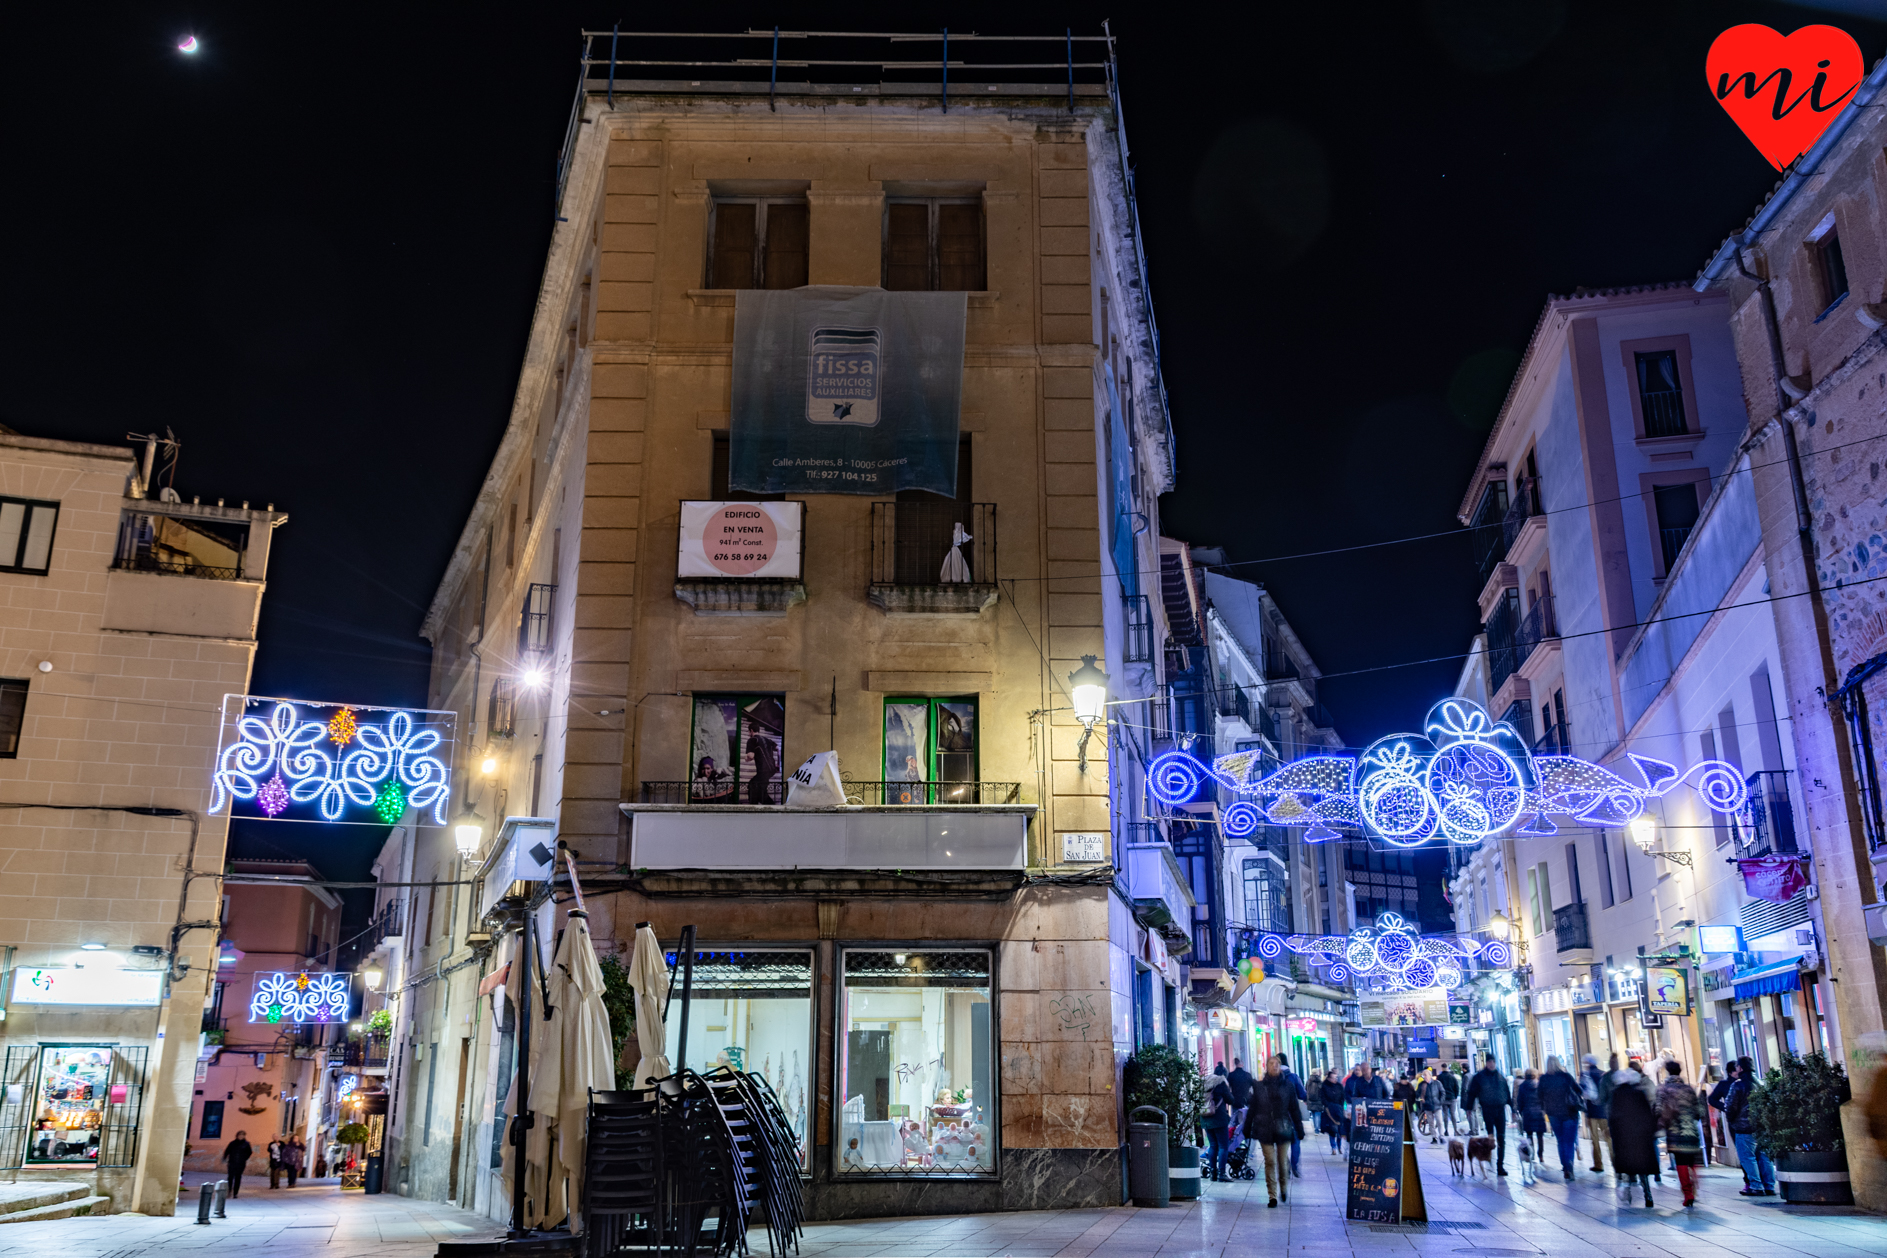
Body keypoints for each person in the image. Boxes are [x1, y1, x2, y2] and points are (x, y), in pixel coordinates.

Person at [1249, 1056, 1304, 1208]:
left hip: (1283, 1127)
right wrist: (1248, 1128)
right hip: (1264, 1128)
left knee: (1281, 1161)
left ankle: (1284, 1189)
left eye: (1277, 1064)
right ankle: (1272, 1195)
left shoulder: (1288, 1085)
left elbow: (1294, 1108)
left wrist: (1299, 1128)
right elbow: (1252, 1108)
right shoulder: (1259, 1086)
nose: (1274, 1066)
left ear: (1280, 1067)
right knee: (1270, 1161)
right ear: (1266, 1067)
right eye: (1271, 1064)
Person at [1608, 1057, 1660, 1207]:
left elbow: (1613, 1117)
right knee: (1642, 1168)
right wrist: (1650, 1132)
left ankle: (1628, 1193)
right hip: (1640, 1137)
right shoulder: (1639, 1093)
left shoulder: (1617, 1094)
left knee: (1626, 1168)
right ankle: (1648, 1195)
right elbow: (1647, 1115)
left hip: (1624, 1137)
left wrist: (1615, 1134)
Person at [1656, 1061, 1706, 1208]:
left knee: (1681, 1162)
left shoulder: (1664, 1089)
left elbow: (1658, 1110)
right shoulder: (1689, 1089)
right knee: (1692, 1160)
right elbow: (1699, 1111)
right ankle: (1694, 1186)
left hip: (1675, 1130)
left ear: (1667, 1072)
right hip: (1691, 1129)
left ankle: (1688, 1193)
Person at [1726, 1055, 1776, 1196]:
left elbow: (1730, 1107)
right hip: (1762, 1127)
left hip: (1744, 1128)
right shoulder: (1761, 1084)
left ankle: (1756, 1186)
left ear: (1740, 1068)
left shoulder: (1738, 1085)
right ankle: (1769, 1185)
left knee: (1748, 1158)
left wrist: (1732, 1121)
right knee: (1764, 1157)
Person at [1462, 1054, 1514, 1176]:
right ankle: (1488, 1158)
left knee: (1501, 1138)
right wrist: (1468, 1108)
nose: (1491, 1064)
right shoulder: (1479, 1077)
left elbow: (1506, 1092)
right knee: (1490, 1138)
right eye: (1489, 1061)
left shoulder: (1500, 1076)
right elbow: (1472, 1093)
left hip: (1500, 1110)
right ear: (1486, 1063)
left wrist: (1512, 1109)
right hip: (1487, 1109)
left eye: (1493, 1062)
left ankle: (1500, 1165)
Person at [1538, 1056, 1583, 1180]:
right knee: (1569, 1141)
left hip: (1553, 1114)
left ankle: (1565, 1166)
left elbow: (1539, 1096)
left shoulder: (1544, 1079)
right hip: (1569, 1113)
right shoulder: (1566, 1076)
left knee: (1561, 1140)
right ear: (1558, 1064)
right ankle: (1569, 1165)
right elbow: (1578, 1090)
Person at [1275, 1053, 1308, 1177]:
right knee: (1295, 1141)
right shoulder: (1293, 1077)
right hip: (1293, 1114)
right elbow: (1302, 1094)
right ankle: (1294, 1166)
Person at [1202, 1064, 1236, 1183]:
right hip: (1219, 1118)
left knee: (1213, 1145)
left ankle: (1213, 1173)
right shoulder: (1221, 1083)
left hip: (1205, 1118)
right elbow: (1230, 1100)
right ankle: (1222, 1173)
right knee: (1223, 1146)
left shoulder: (1204, 1081)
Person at [1582, 1053, 1611, 1172]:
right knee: (1609, 1138)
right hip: (1604, 1111)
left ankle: (1598, 1164)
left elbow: (1582, 1091)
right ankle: (1615, 1163)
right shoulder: (1604, 1074)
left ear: (1587, 1063)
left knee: (1594, 1139)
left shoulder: (1586, 1075)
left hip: (1592, 1111)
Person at [1319, 1069, 1348, 1153]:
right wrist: (1327, 1105)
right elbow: (1322, 1097)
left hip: (1338, 1109)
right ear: (1328, 1078)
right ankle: (1333, 1147)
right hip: (1329, 1109)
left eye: (1336, 1078)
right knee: (1332, 1129)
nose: (1334, 1080)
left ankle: (1339, 1146)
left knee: (1339, 1129)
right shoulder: (1324, 1086)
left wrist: (1342, 1106)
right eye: (1333, 1078)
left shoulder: (1339, 1086)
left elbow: (1343, 1096)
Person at [223, 1130, 254, 1198]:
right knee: (230, 1177)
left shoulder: (246, 1144)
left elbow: (249, 1152)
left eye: (242, 1135)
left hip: (241, 1163)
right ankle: (229, 1190)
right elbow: (227, 1151)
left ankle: (235, 1193)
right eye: (240, 1135)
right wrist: (225, 1158)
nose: (241, 1136)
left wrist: (244, 1158)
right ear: (237, 1136)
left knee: (238, 1177)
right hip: (232, 1162)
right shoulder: (232, 1143)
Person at [1438, 1062, 1460, 1136]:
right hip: (1452, 1098)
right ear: (1447, 1068)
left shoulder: (1439, 1077)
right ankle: (1455, 1130)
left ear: (1442, 1068)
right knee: (1453, 1114)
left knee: (1445, 1115)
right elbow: (1456, 1087)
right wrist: (1455, 1096)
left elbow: (1438, 1089)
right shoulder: (1452, 1077)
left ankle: (1446, 1130)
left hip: (1444, 1099)